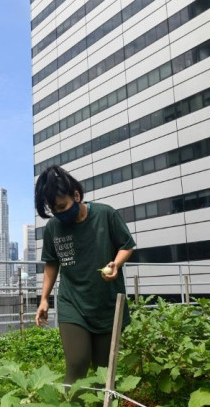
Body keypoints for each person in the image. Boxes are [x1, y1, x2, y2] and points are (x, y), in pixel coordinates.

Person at [34, 165, 136, 385]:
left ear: (77, 195)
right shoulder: (53, 228)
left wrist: (116, 264)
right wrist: (44, 299)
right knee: (78, 362)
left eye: (63, 206)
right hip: (73, 303)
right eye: (55, 210)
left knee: (104, 371)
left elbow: (127, 245)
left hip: (106, 303)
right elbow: (52, 264)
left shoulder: (105, 214)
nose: (60, 213)